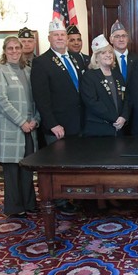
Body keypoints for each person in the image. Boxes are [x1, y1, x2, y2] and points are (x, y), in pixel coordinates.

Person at [31, 18, 85, 214]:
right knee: (59, 165)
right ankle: (61, 202)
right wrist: (52, 123)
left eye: (63, 35)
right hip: (58, 125)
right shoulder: (41, 62)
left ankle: (76, 197)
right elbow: (41, 97)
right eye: (56, 35)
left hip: (79, 122)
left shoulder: (77, 58)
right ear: (49, 38)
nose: (60, 38)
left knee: (76, 163)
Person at [0, 36, 40, 218]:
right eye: (10, 48)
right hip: (11, 128)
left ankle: (30, 203)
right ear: (4, 51)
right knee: (12, 170)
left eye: (17, 48)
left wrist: (35, 119)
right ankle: (14, 206)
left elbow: (37, 99)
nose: (14, 51)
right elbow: (1, 101)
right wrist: (21, 122)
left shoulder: (28, 71)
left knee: (27, 168)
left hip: (30, 128)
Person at [81, 34, 130, 137]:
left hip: (119, 128)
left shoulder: (117, 74)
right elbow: (92, 102)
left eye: (110, 52)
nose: (108, 55)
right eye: (103, 53)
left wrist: (124, 117)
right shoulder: (89, 76)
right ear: (96, 57)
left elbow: (126, 98)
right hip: (99, 129)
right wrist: (115, 118)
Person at [109, 20, 138, 84]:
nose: (121, 39)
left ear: (127, 39)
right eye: (117, 36)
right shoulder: (107, 60)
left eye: (124, 36)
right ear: (111, 40)